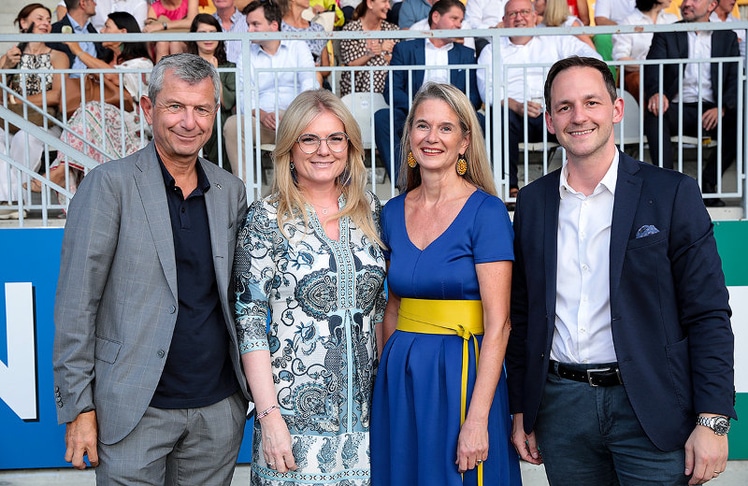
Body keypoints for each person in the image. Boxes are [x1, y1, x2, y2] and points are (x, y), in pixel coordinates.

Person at [508, 55, 735, 486]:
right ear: (551, 122)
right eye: (564, 107)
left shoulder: (672, 193)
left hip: (652, 407)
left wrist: (714, 419)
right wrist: (521, 407)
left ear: (616, 110)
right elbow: (523, 316)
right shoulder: (533, 204)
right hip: (561, 411)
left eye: (591, 102)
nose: (579, 117)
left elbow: (707, 313)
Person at [53, 53, 250, 484]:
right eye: (175, 106)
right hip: (132, 408)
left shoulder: (230, 191)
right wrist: (79, 406)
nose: (189, 121)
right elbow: (76, 304)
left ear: (215, 114)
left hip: (217, 412)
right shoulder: (108, 185)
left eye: (201, 109)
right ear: (148, 109)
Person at [370, 83, 521, 486]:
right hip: (401, 376)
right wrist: (388, 376)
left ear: (464, 142)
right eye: (422, 126)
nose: (431, 138)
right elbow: (393, 306)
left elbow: (499, 324)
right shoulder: (391, 211)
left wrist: (477, 419)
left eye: (445, 128)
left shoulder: (486, 212)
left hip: (462, 375)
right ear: (409, 138)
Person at [233, 89, 386, 484]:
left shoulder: (371, 210)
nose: (324, 150)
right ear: (289, 147)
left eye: (336, 138)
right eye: (309, 138)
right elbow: (249, 321)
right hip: (291, 425)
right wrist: (268, 418)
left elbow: (384, 310)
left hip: (368, 423)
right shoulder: (266, 218)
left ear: (350, 147)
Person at [477, 0, 600, 203]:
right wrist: (516, 105)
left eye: (525, 12)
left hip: (553, 112)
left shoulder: (555, 40)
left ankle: (584, 183)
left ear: (535, 17)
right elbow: (487, 92)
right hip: (514, 114)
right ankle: (509, 187)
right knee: (497, 116)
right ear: (504, 21)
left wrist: (569, 90)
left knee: (576, 115)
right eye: (513, 14)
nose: (519, 17)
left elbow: (592, 58)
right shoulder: (492, 50)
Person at [31, 11, 152, 199]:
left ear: (123, 32)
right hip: (100, 123)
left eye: (107, 27)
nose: (101, 30)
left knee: (91, 110)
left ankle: (59, 172)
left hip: (130, 128)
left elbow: (113, 76)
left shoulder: (143, 63)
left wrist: (78, 50)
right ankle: (63, 171)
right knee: (89, 112)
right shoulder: (103, 61)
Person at [643, 0, 739, 207]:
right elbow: (652, 68)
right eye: (685, 0)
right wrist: (657, 92)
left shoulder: (727, 36)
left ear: (712, 5)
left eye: (694, 0)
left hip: (712, 109)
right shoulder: (667, 33)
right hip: (676, 107)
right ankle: (666, 188)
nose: (686, 4)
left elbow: (734, 78)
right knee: (654, 115)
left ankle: (708, 185)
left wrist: (722, 107)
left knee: (738, 121)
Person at [374, 0, 481, 185]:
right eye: (454, 18)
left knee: (481, 121)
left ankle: (469, 184)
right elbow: (392, 89)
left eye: (461, 20)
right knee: (384, 118)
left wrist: (455, 111)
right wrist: (416, 110)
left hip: (453, 115)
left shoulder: (465, 54)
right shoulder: (406, 49)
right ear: (436, 17)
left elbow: (473, 95)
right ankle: (404, 183)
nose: (459, 25)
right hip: (412, 112)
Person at [222, 0, 317, 178]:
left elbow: (309, 85)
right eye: (248, 24)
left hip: (296, 120)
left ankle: (289, 191)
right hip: (261, 120)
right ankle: (245, 193)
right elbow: (244, 95)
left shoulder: (298, 46)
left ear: (273, 25)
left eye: (255, 24)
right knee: (233, 125)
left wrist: (290, 116)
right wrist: (262, 114)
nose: (249, 30)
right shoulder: (246, 53)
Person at [0, 3, 69, 220]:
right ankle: (7, 200)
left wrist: (18, 100)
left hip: (45, 123)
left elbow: (57, 95)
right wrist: (5, 67)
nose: (45, 23)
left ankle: (18, 201)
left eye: (48, 19)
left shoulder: (58, 56)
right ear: (23, 23)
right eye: (39, 18)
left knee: (25, 139)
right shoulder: (11, 56)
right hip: (10, 121)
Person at [187, 13, 236, 169]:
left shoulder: (229, 67)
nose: (208, 38)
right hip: (191, 112)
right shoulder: (185, 66)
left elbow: (227, 102)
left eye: (212, 32)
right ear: (194, 37)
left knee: (219, 122)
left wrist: (213, 72)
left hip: (219, 115)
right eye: (202, 33)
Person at [612, 0, 678, 99]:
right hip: (639, 72)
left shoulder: (673, 20)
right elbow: (621, 57)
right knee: (639, 81)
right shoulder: (628, 22)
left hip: (669, 73)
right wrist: (651, 67)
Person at [339, 0, 399, 97]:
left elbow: (397, 63)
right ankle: (372, 106)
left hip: (388, 86)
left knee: (379, 63)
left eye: (389, 2)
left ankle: (374, 105)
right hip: (355, 87)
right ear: (370, 3)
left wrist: (384, 56)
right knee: (377, 64)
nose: (389, 6)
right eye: (384, 1)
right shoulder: (351, 30)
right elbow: (351, 66)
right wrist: (373, 52)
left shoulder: (392, 30)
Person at [47, 0, 111, 76]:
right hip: (67, 85)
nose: (95, 3)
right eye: (92, 1)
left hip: (94, 85)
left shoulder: (92, 31)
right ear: (83, 3)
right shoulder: (55, 31)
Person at [281, 0, 332, 88]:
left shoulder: (317, 28)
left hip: (315, 82)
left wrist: (313, 69)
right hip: (286, 84)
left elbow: (326, 70)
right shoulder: (278, 27)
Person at [56, 0, 149, 30]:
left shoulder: (139, 2)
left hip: (123, 46)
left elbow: (135, 32)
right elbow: (62, 7)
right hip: (95, 42)